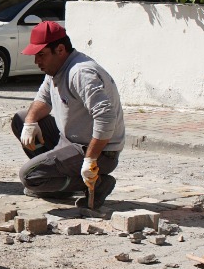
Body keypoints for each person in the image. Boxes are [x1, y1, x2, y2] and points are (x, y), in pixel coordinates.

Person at [11, 20, 125, 207]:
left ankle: (97, 183)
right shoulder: (54, 70)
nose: (36, 61)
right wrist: (30, 123)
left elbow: (106, 118)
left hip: (99, 151)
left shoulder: (81, 73)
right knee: (21, 119)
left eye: (41, 55)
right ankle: (56, 181)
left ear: (60, 49)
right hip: (70, 141)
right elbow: (43, 100)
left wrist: (90, 160)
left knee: (30, 177)